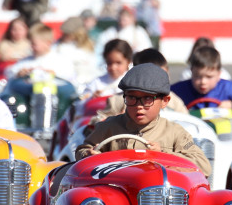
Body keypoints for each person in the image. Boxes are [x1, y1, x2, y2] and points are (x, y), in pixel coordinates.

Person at [76, 64, 212, 177]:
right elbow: (83, 150)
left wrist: (163, 154)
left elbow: (204, 167)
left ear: (165, 101)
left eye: (147, 99)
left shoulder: (175, 133)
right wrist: (89, 154)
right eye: (131, 98)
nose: (139, 106)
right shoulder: (108, 127)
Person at [97, 48, 188, 118]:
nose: (162, 81)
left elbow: (188, 122)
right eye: (156, 77)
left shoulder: (173, 101)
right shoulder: (119, 101)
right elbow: (98, 123)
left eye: (165, 75)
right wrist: (117, 120)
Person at [171, 45, 232, 109]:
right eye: (197, 76)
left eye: (209, 77)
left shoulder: (229, 89)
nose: (203, 82)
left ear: (219, 74)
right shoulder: (178, 90)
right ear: (191, 71)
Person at [55, 17, 99, 88]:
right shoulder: (57, 45)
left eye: (68, 34)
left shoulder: (86, 48)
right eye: (64, 33)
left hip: (81, 84)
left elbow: (90, 70)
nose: (64, 36)